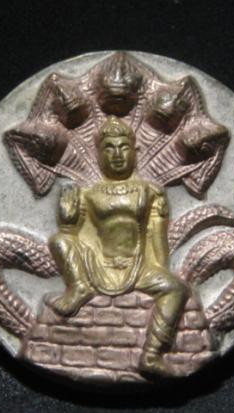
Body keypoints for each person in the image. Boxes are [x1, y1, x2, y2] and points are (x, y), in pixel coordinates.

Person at [48, 116, 190, 376]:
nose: (117, 155)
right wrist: (66, 224)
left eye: (123, 148)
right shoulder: (88, 193)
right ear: (99, 154)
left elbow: (156, 235)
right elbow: (74, 235)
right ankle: (79, 287)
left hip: (137, 266)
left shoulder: (150, 191)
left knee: (176, 288)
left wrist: (161, 268)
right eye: (109, 148)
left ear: (135, 151)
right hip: (96, 264)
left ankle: (151, 355)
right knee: (58, 240)